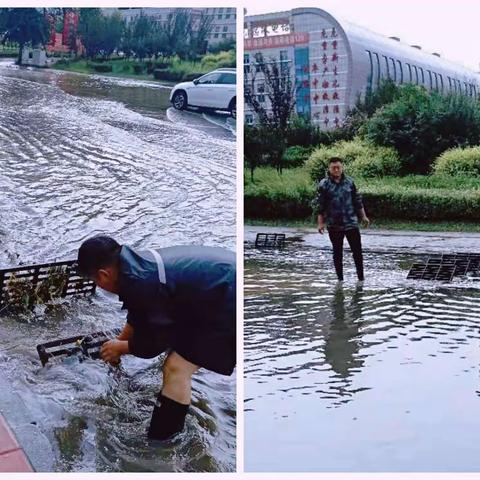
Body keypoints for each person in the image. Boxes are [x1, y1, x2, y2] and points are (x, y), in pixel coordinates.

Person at [76, 235, 236, 441]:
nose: (97, 285)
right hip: (219, 285)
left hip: (229, 298)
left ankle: (161, 444)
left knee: (176, 367)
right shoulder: (134, 266)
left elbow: (151, 347)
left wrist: (122, 348)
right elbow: (140, 311)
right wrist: (120, 341)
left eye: (94, 281)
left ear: (103, 275)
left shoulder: (142, 284)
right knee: (178, 348)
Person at [313, 157, 370, 281]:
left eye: (338, 167)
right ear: (329, 169)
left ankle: (361, 278)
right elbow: (320, 205)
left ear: (342, 167)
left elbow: (357, 201)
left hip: (351, 223)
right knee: (337, 253)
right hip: (334, 225)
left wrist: (363, 216)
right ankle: (340, 279)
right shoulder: (324, 184)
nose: (336, 169)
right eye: (334, 167)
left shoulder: (350, 182)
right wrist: (320, 223)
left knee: (357, 252)